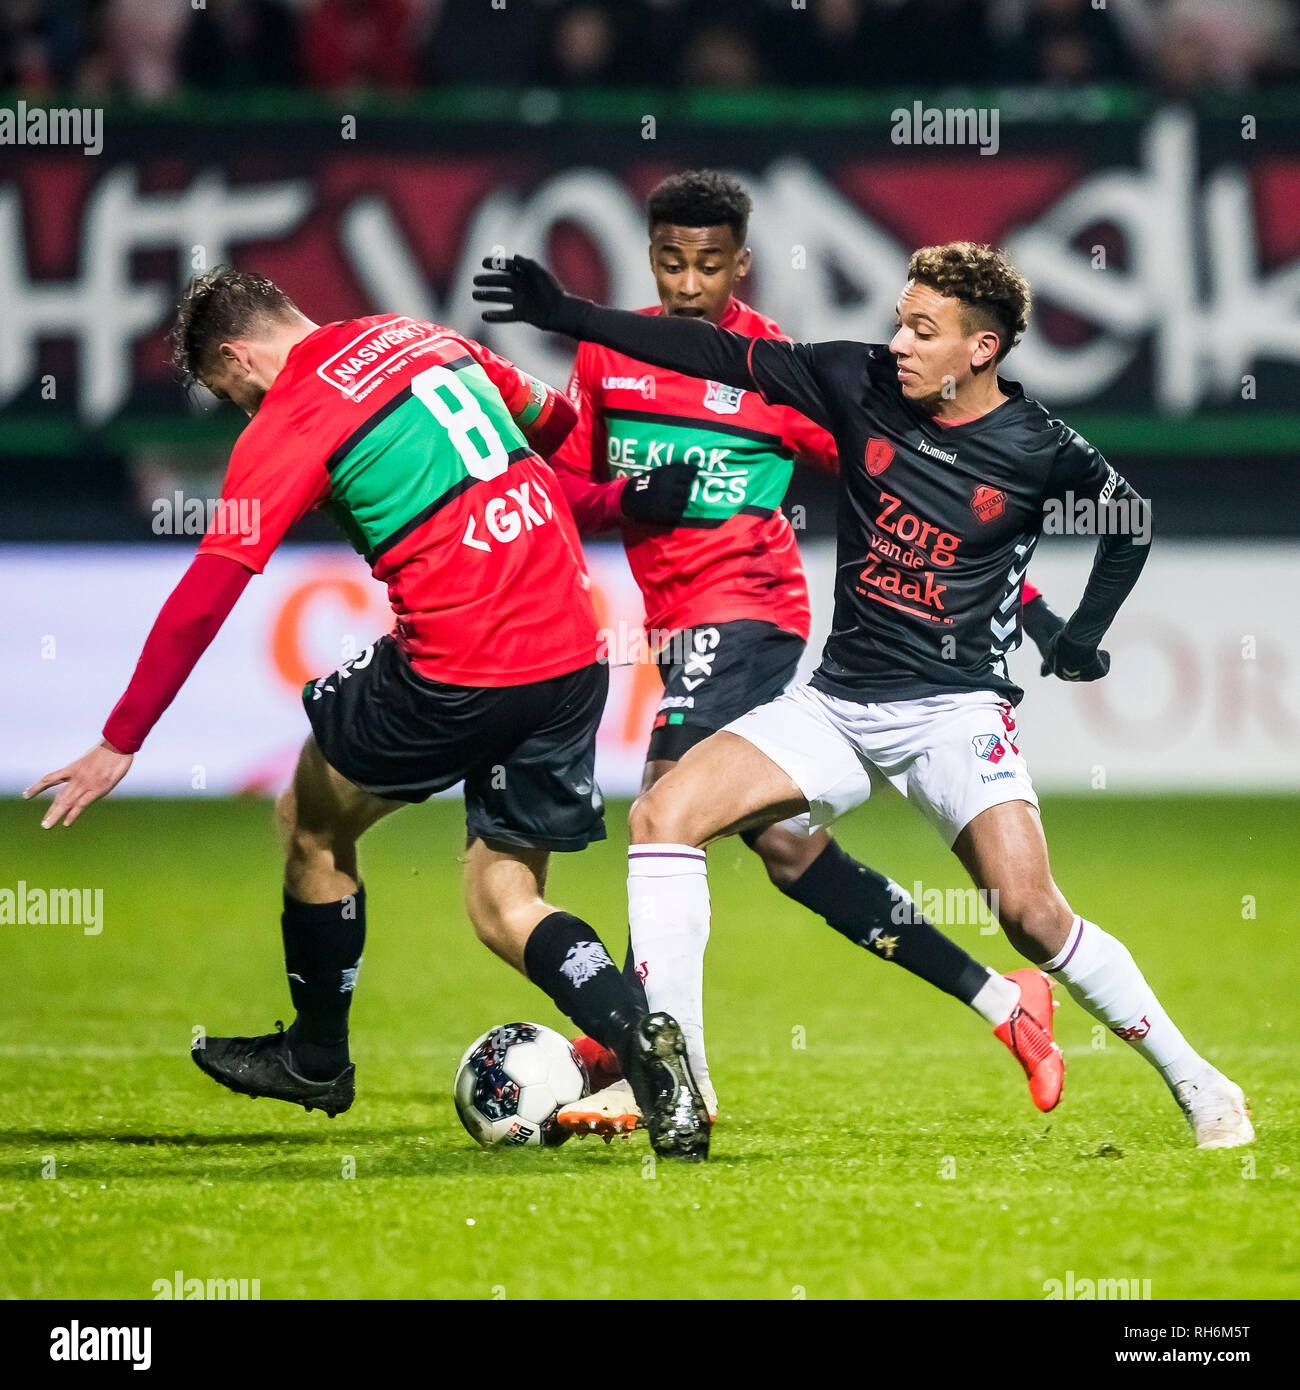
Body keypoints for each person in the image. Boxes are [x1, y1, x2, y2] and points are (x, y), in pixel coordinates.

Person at [473, 240, 1255, 1149]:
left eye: (925, 330)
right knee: (662, 816)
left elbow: (1129, 522)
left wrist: (1078, 638)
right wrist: (568, 314)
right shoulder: (860, 382)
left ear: (983, 349)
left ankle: (1203, 1086)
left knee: (1033, 917)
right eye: (899, 321)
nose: (901, 343)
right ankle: (675, 1079)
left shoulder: (1038, 446)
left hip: (956, 712)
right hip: (837, 704)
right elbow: (721, 355)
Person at [24, 267, 711, 1162]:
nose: (244, 412)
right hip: (574, 652)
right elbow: (559, 430)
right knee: (506, 899)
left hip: (458, 667)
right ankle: (640, 1044)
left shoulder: (293, 416)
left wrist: (122, 741)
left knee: (308, 820)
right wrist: (620, 498)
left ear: (239, 353)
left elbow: (206, 591)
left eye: (235, 394)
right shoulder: (425, 338)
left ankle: (317, 1058)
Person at [546, 171, 1067, 1135]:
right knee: (787, 851)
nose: (688, 280)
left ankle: (639, 1056)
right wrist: (624, 503)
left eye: (709, 264)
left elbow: (921, 498)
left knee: (666, 801)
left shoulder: (770, 368)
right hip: (676, 625)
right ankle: (1006, 1003)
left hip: (750, 612)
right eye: (670, 260)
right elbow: (567, 491)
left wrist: (1027, 605)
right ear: (650, 256)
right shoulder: (609, 361)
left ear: (740, 264)